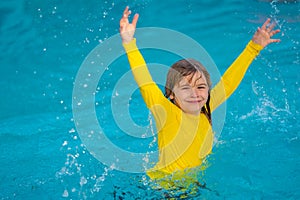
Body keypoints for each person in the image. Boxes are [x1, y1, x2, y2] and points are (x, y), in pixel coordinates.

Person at [119, 6, 280, 189]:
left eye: (201, 87)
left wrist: (253, 48)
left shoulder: (206, 108)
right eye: (186, 88)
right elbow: (145, 82)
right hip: (162, 187)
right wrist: (129, 44)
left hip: (190, 185)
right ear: (171, 94)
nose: (195, 93)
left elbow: (228, 83)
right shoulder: (166, 113)